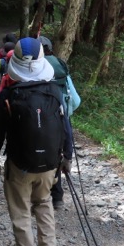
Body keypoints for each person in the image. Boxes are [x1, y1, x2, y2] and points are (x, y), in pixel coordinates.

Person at [0, 37, 74, 246]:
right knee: (44, 202)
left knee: (21, 214)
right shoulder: (55, 91)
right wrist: (66, 157)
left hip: (19, 166)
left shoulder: (8, 94)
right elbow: (66, 129)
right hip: (49, 165)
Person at [39, 36, 80, 210]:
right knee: (57, 153)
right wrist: (66, 114)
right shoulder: (61, 67)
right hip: (61, 117)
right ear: (51, 48)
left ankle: (37, 192)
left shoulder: (33, 67)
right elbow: (76, 100)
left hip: (39, 117)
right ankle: (57, 198)